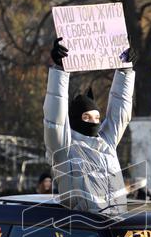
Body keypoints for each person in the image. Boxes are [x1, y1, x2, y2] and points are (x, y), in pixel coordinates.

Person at [43, 38, 134, 213]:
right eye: (87, 117)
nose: (93, 122)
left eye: (97, 117)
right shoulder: (64, 149)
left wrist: (125, 70)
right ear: (76, 118)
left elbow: (119, 111)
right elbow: (54, 119)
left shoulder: (106, 142)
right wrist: (60, 70)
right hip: (85, 230)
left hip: (117, 227)